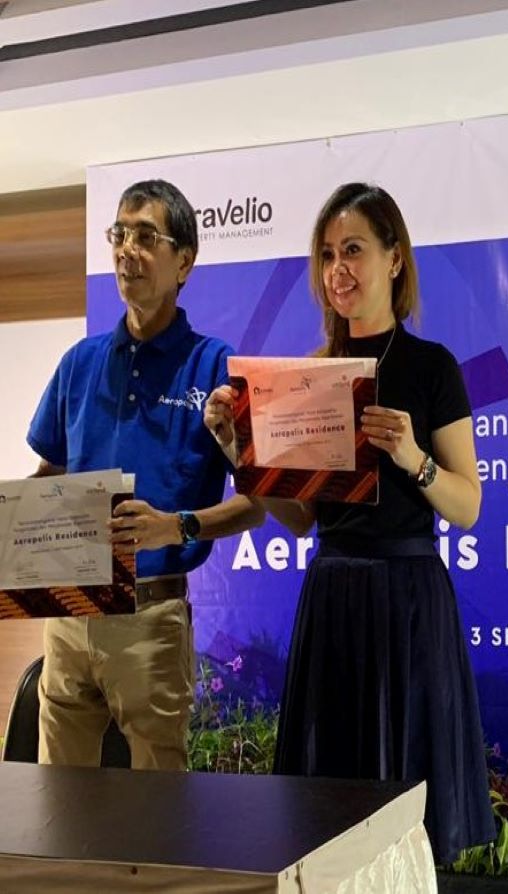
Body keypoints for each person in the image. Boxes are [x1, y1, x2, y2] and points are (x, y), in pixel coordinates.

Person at [204, 182, 494, 862]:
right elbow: (299, 519)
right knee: (326, 816)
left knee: (410, 812)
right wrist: (238, 449)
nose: (339, 269)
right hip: (332, 600)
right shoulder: (308, 378)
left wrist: (413, 458)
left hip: (409, 603)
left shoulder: (432, 367)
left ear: (395, 258)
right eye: (328, 254)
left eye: (354, 249)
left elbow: (467, 506)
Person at [27, 179, 264, 771]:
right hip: (68, 609)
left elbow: (257, 504)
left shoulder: (214, 365)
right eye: (119, 234)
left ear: (183, 261)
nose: (126, 250)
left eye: (145, 237)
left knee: (157, 803)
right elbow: (48, 474)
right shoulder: (79, 363)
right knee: (56, 798)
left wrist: (175, 526)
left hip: (151, 616)